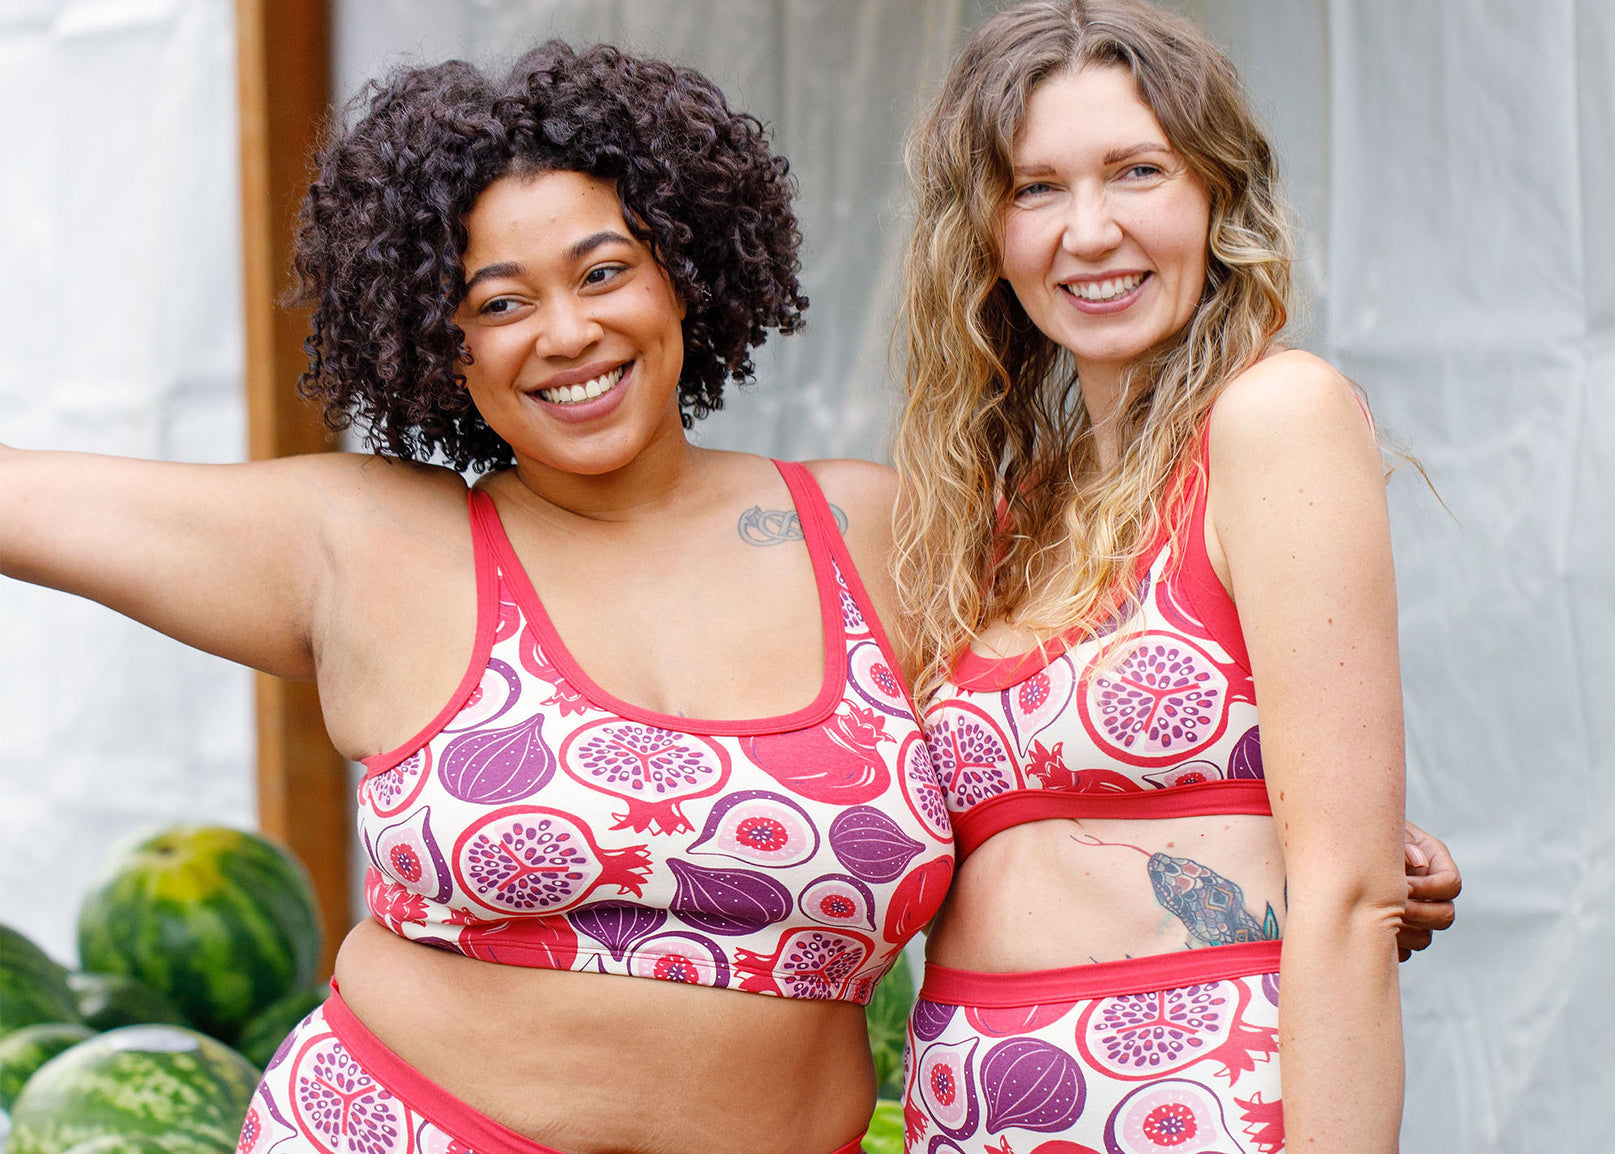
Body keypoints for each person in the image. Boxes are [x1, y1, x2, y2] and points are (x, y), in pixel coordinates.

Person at [0, 44, 952, 1154]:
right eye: (499, 301)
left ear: (683, 266)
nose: (565, 333)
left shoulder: (865, 529)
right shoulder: (369, 542)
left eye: (603, 272)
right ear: (438, 344)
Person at [891, 1, 1435, 1151]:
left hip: (1197, 1111)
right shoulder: (997, 510)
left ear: (1214, 194)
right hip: (962, 1117)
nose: (1088, 231)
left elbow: (1346, 893)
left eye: (1135, 170)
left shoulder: (1270, 418)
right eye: (1035, 187)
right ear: (983, 232)